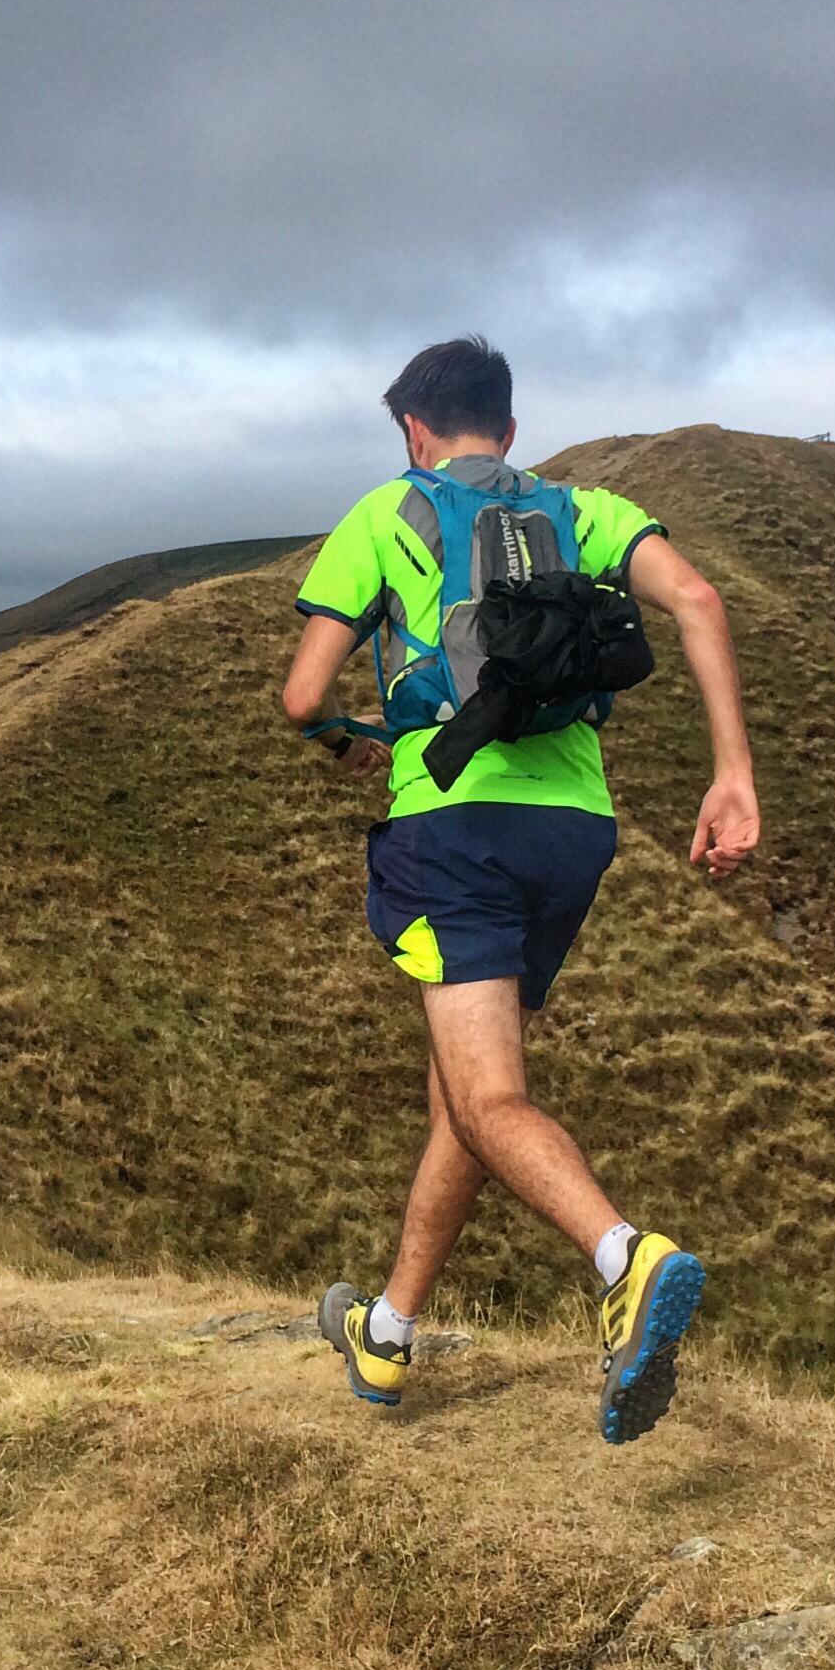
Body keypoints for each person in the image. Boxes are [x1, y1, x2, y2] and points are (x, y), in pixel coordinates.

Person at [281, 336, 762, 1443]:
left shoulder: (383, 514)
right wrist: (731, 776)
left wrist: (351, 738)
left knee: (489, 1097)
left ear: (412, 428)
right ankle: (389, 1335)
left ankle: (624, 1260)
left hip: (454, 828)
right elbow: (697, 600)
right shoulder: (585, 511)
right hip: (573, 833)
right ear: (508, 422)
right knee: (468, 1092)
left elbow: (302, 696)